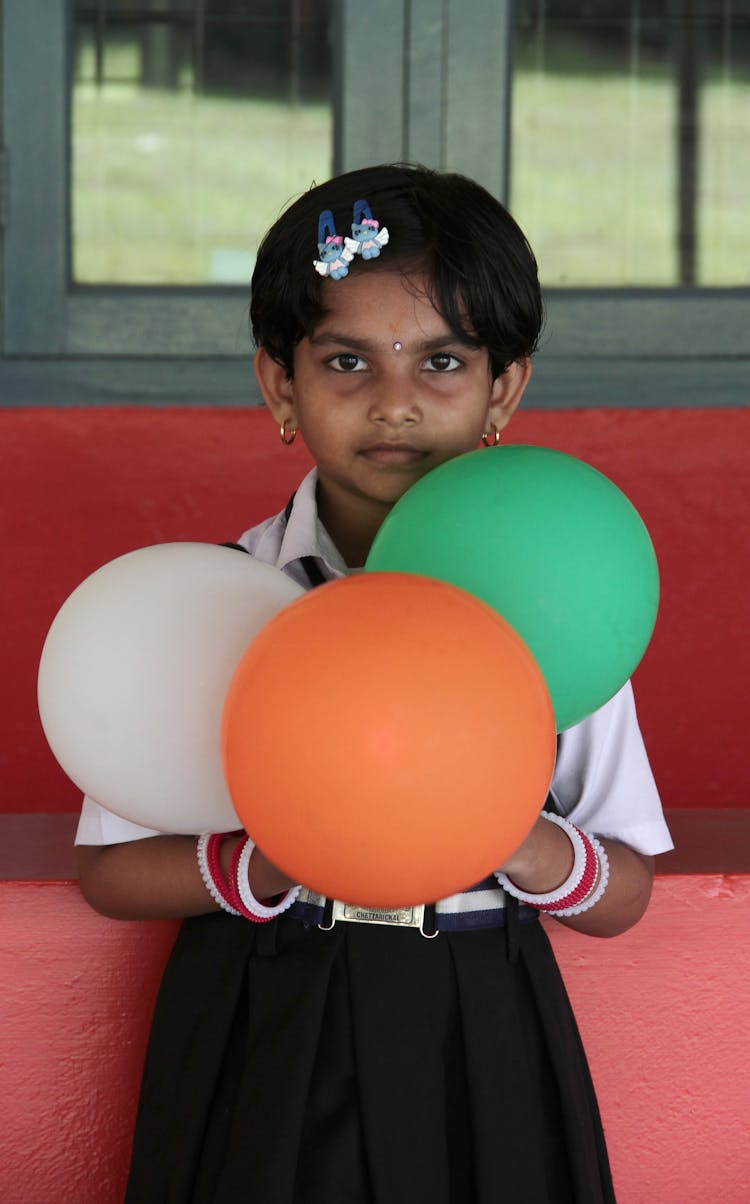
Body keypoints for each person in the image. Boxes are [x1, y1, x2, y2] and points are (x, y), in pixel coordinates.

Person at [76, 163, 673, 1204]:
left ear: (504, 392)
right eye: (346, 359)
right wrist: (275, 858)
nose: (394, 403)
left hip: (477, 1009)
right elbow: (112, 872)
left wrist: (504, 831)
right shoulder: (216, 603)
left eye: (441, 360)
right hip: (265, 1009)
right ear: (279, 383)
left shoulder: (555, 615)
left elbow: (623, 893)